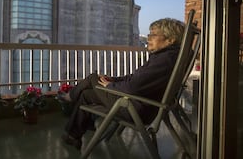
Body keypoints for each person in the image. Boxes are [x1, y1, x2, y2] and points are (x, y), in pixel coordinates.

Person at [59, 18, 185, 150]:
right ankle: (75, 134)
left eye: (153, 35)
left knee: (92, 78)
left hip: (136, 108)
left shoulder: (163, 61)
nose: (148, 38)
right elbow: (135, 79)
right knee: (87, 94)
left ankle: (70, 98)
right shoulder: (168, 57)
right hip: (145, 104)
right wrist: (114, 80)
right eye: (148, 34)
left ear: (171, 40)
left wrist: (109, 86)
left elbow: (132, 87)